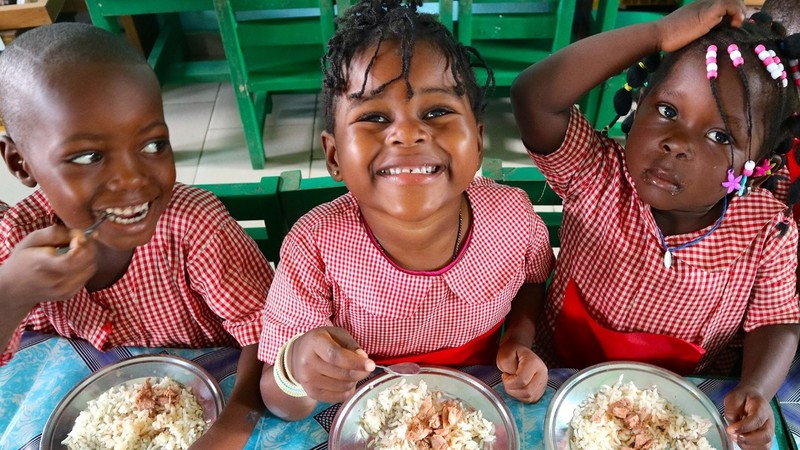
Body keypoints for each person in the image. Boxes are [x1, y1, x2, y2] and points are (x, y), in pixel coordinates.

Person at [510, 0, 800, 448]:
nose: (677, 144)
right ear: (639, 102)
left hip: (671, 414)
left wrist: (757, 388)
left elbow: (776, 322)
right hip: (554, 383)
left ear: (757, 164)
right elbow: (534, 96)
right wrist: (658, 34)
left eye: (720, 136)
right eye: (667, 111)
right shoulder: (596, 174)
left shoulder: (766, 231)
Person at [258, 0, 556, 421]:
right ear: (334, 156)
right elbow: (277, 399)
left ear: (478, 143)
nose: (408, 132)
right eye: (374, 116)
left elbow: (533, 282)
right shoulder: (315, 245)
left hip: (477, 403)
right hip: (369, 415)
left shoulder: (512, 216)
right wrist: (296, 369)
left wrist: (518, 341)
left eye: (437, 112)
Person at [0, 23, 274, 448]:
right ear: (21, 164)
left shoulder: (194, 227)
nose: (132, 179)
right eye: (89, 156)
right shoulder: (16, 239)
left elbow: (270, 333)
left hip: (220, 397)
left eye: (152, 145)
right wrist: (12, 292)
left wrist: (234, 422)